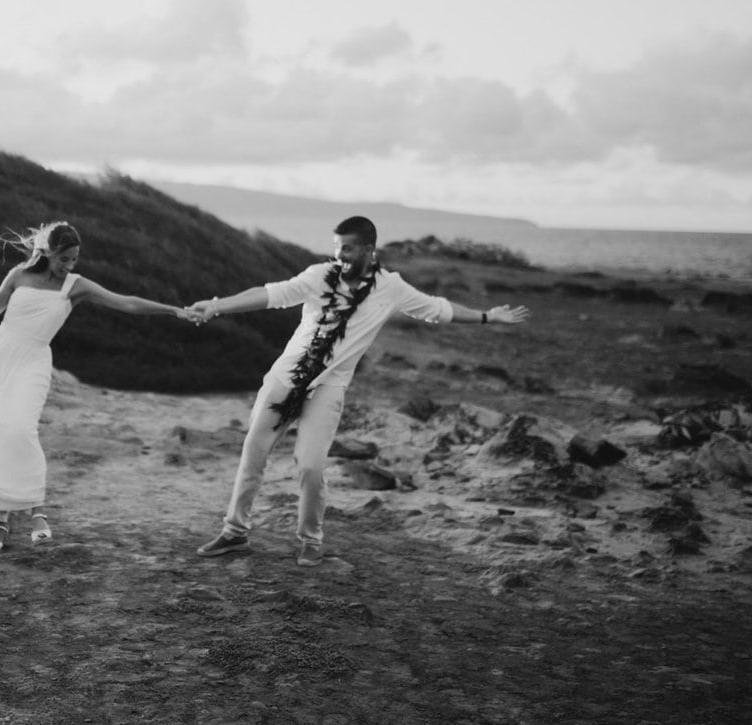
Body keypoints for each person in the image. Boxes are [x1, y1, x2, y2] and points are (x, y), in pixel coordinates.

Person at [189, 216, 530, 567]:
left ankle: (310, 540)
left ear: (370, 249)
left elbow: (438, 309)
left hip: (329, 388)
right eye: (337, 248)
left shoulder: (391, 287)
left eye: (348, 248)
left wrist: (488, 317)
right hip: (285, 378)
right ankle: (234, 532)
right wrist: (217, 306)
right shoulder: (319, 276)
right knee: (253, 452)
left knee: (310, 466)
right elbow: (269, 294)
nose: (341, 256)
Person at [0, 221, 198, 552]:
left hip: (34, 361)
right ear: (48, 252)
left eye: (74, 259)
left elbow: (127, 302)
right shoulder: (18, 276)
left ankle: (37, 510)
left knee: (19, 429)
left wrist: (174, 311)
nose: (69, 266)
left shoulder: (76, 286)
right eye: (64, 259)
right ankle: (1, 523)